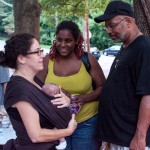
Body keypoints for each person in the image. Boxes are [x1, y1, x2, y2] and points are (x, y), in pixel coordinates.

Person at [0, 33, 77, 150]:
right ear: (21, 58)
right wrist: (68, 131)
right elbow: (36, 136)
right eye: (37, 52)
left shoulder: (34, 80)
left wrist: (66, 102)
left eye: (41, 51)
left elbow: (49, 108)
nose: (42, 55)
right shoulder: (19, 89)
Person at [37, 20, 105, 150]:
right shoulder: (47, 61)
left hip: (86, 123)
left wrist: (84, 98)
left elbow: (103, 87)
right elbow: (37, 90)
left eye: (68, 40)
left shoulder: (88, 59)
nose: (63, 45)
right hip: (57, 124)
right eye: (59, 40)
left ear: (76, 41)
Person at [94, 1, 150, 150]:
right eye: (106, 27)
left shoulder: (144, 48)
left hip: (130, 139)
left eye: (112, 25)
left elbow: (148, 95)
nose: (108, 30)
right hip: (117, 137)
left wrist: (140, 137)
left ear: (129, 21)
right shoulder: (126, 47)